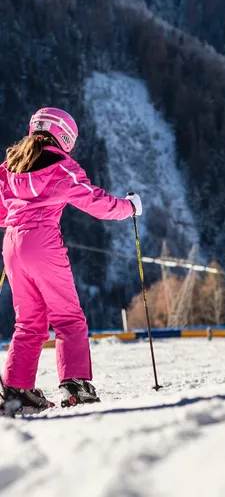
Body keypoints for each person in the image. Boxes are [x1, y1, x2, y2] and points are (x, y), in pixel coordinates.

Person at [0, 107, 142, 413]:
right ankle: (75, 385)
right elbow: (97, 202)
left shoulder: (9, 166)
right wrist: (129, 207)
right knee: (67, 317)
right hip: (42, 243)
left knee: (29, 321)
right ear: (63, 135)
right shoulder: (62, 167)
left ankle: (15, 391)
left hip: (11, 244)